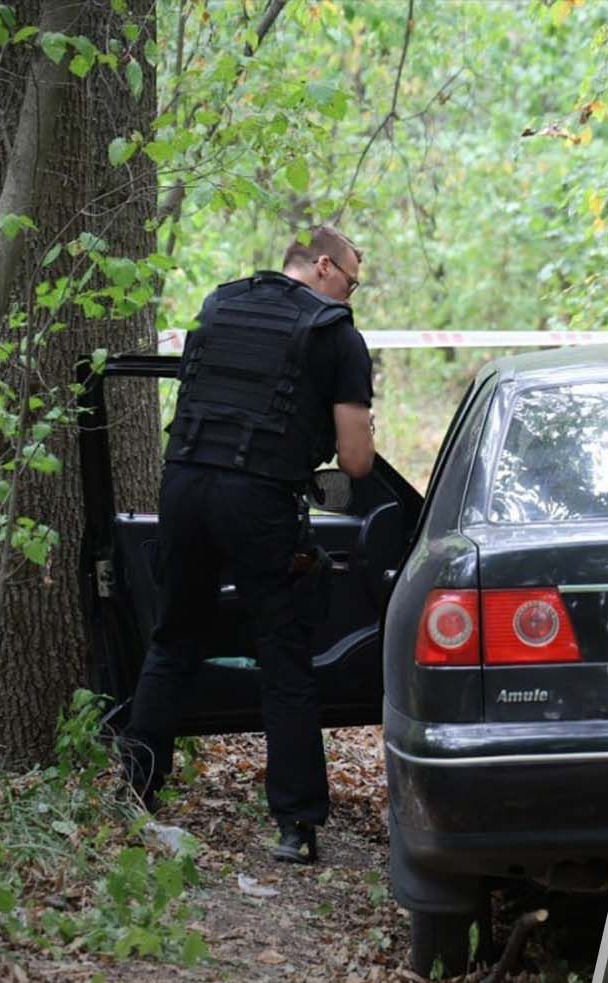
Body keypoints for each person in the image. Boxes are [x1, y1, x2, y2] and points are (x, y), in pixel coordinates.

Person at [121, 225, 376, 864]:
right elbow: (356, 460)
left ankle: (134, 794)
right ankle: (296, 826)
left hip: (180, 485)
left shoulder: (220, 304)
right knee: (284, 659)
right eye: (351, 281)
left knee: (172, 639)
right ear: (324, 267)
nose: (351, 295)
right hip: (257, 500)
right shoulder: (335, 334)